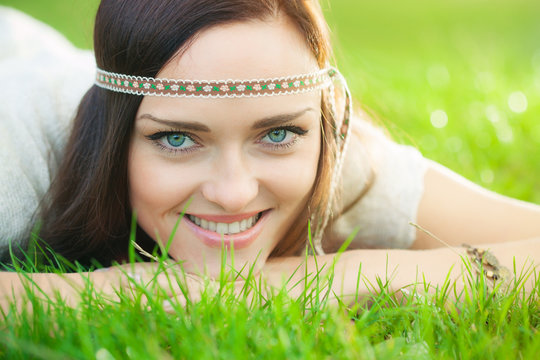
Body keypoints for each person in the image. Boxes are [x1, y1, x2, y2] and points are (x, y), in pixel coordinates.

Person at [1, 0, 539, 311]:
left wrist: (346, 275)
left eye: (277, 134)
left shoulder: (332, 152)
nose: (234, 192)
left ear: (326, 117)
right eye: (177, 139)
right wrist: (130, 289)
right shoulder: (19, 142)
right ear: (112, 133)